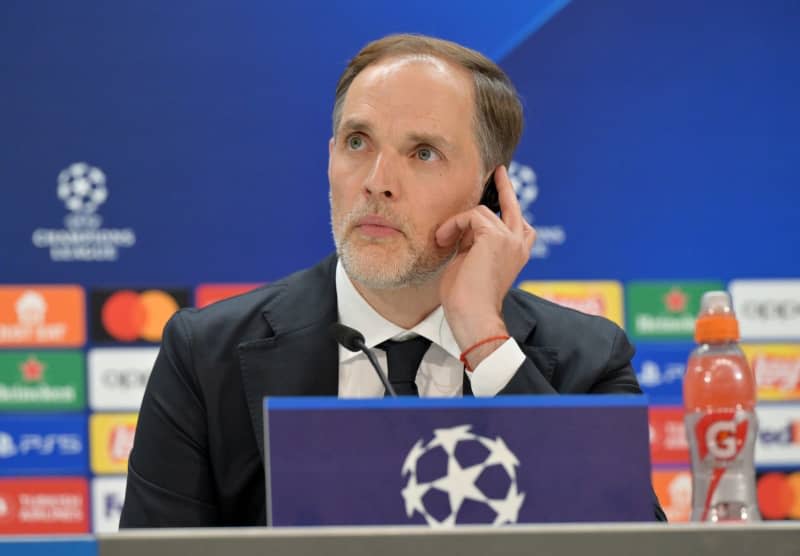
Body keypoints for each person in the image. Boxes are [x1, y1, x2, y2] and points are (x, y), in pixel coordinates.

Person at [120, 33, 665, 527]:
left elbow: (628, 543)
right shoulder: (204, 356)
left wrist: (484, 339)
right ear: (330, 157)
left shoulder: (587, 359)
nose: (377, 183)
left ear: (489, 194)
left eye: (423, 153)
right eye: (358, 142)